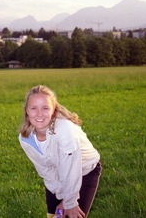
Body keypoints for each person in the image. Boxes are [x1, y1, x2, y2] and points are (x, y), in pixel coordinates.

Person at [18, 85, 102, 218]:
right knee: (53, 215)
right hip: (56, 174)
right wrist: (62, 198)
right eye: (34, 108)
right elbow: (45, 170)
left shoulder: (64, 129)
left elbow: (71, 168)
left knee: (72, 215)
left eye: (45, 108)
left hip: (85, 170)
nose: (39, 113)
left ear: (54, 110)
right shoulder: (25, 138)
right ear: (27, 111)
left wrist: (69, 203)